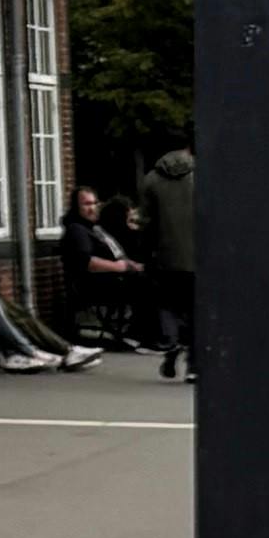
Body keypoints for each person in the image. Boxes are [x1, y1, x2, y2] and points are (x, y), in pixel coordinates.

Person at [55, 180, 144, 347]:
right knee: (149, 286)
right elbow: (86, 262)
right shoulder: (78, 230)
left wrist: (131, 264)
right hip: (98, 284)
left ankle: (150, 331)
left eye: (95, 203)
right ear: (76, 207)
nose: (92, 208)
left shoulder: (94, 228)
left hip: (116, 278)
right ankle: (141, 332)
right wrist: (119, 267)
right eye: (86, 204)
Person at [139, 137, 199, 376]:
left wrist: (147, 253)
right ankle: (194, 366)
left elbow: (146, 222)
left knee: (167, 304)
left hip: (165, 254)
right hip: (197, 256)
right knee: (196, 310)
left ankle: (171, 343)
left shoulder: (151, 180)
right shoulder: (200, 177)